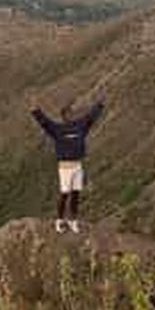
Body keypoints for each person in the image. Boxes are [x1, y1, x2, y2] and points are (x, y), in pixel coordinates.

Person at [30, 96, 105, 233]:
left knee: (76, 194)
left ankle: (73, 221)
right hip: (65, 168)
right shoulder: (57, 129)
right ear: (63, 117)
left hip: (77, 166)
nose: (71, 116)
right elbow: (44, 123)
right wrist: (35, 110)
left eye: (72, 113)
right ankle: (59, 220)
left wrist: (100, 105)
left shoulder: (80, 126)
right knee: (64, 194)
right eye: (68, 114)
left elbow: (91, 117)